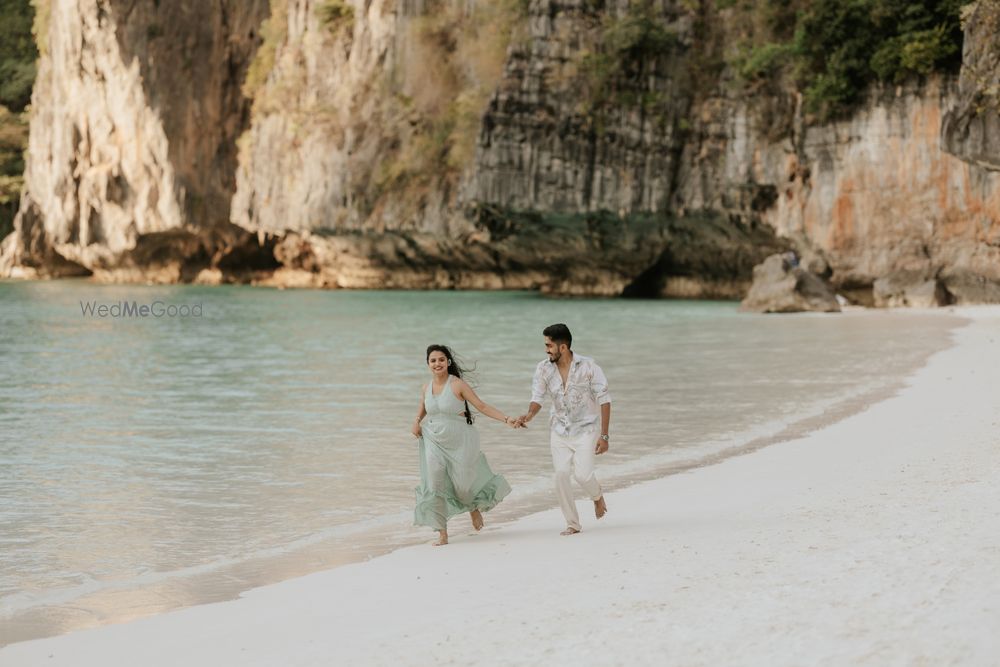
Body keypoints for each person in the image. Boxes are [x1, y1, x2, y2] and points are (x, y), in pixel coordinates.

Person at [412, 345, 515, 546]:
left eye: (441, 359)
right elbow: (422, 409)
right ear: (428, 364)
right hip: (433, 439)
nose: (437, 364)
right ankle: (442, 533)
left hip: (461, 441)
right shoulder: (426, 387)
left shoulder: (457, 384)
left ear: (448, 362)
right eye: (433, 360)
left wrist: (506, 418)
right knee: (434, 484)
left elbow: (482, 406)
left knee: (463, 487)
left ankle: (473, 507)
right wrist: (416, 421)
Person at [515, 324, 611, 535]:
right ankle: (573, 524)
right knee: (561, 474)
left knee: (583, 476)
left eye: (549, 346)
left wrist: (604, 436)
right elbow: (537, 398)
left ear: (563, 347)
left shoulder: (589, 367)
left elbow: (604, 400)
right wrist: (529, 415)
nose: (546, 350)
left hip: (586, 428)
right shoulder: (543, 368)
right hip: (559, 429)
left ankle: (596, 496)